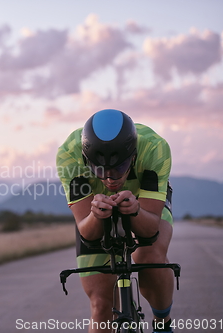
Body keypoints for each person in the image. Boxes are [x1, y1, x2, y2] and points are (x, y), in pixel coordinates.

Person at [56, 109, 175, 333]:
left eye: (119, 167)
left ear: (133, 155)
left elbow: (150, 230)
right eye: (99, 169)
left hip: (143, 201)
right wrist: (96, 216)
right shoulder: (68, 155)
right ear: (85, 158)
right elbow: (87, 233)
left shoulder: (154, 148)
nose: (109, 178)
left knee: (149, 257)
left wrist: (136, 211)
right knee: (102, 307)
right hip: (95, 209)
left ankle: (163, 323)